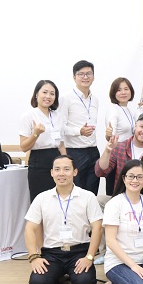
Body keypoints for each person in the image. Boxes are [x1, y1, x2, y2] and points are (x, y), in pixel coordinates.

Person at [24, 155, 102, 284]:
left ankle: (67, 275)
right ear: (51, 173)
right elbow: (30, 228)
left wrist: (89, 257)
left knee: (86, 283)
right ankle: (58, 276)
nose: (61, 173)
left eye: (66, 169)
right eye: (57, 169)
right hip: (52, 253)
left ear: (75, 172)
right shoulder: (42, 198)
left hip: (79, 252)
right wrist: (34, 257)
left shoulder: (88, 197)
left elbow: (97, 228)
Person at [58, 60, 101, 194]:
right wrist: (79, 131)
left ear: (93, 77)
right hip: (75, 152)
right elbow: (60, 128)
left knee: (92, 193)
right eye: (81, 74)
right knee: (76, 192)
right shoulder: (66, 98)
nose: (85, 77)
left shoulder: (95, 100)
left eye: (89, 74)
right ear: (74, 77)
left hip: (93, 150)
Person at [20, 80, 66, 201]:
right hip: (39, 161)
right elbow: (24, 147)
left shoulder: (57, 116)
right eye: (45, 92)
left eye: (52, 93)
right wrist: (36, 134)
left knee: (60, 199)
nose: (48, 96)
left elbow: (61, 144)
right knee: (41, 201)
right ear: (36, 94)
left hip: (57, 160)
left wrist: (67, 163)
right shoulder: (29, 116)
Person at [95, 114, 143, 189]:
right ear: (135, 126)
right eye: (141, 126)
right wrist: (107, 151)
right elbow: (100, 172)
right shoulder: (119, 147)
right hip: (123, 193)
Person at [104, 77, 138, 143]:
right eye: (119, 90)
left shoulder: (129, 110)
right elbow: (110, 137)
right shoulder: (113, 110)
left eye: (126, 89)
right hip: (119, 148)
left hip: (130, 147)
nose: (123, 92)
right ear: (114, 93)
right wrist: (108, 135)